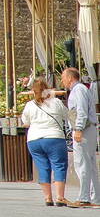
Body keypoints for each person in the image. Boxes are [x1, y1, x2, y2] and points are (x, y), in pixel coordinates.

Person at [20, 78, 75, 207]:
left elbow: (25, 121)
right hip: (54, 137)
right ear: (47, 89)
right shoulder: (56, 102)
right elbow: (67, 116)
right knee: (59, 165)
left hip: (34, 139)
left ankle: (47, 197)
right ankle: (60, 197)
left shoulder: (30, 105)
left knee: (42, 167)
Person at [63, 67, 99, 207]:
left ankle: (84, 197)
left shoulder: (78, 90)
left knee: (82, 163)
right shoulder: (81, 89)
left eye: (64, 78)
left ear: (70, 78)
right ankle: (95, 197)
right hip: (88, 129)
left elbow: (81, 111)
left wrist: (78, 128)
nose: (62, 81)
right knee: (89, 165)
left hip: (83, 130)